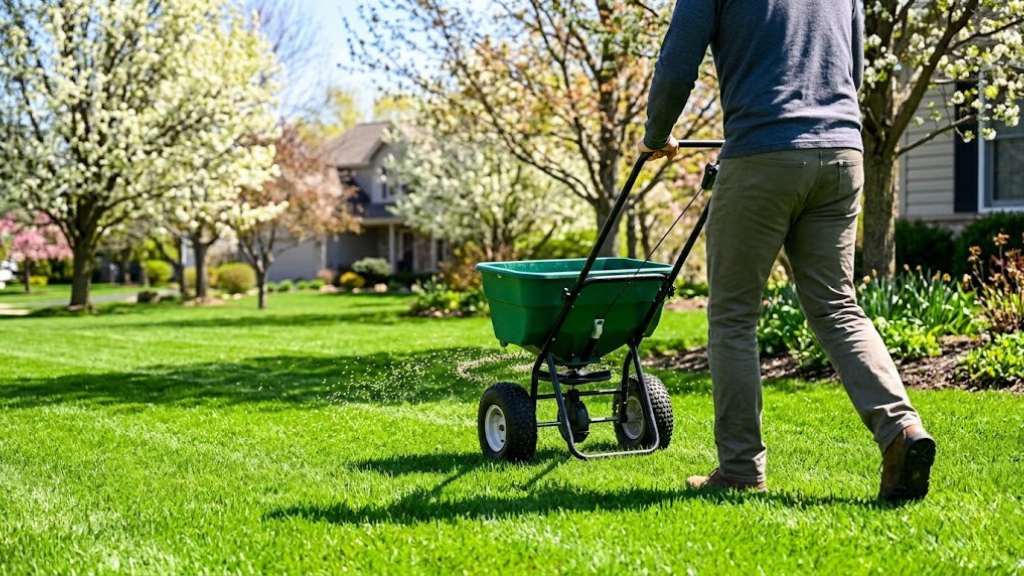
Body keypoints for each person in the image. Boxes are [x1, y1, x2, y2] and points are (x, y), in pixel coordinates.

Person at [639, 0, 936, 501]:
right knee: (837, 305)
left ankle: (739, 468)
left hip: (763, 153)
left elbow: (676, 64)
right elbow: (855, 70)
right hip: (842, 151)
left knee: (734, 314)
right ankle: (901, 430)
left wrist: (657, 134)